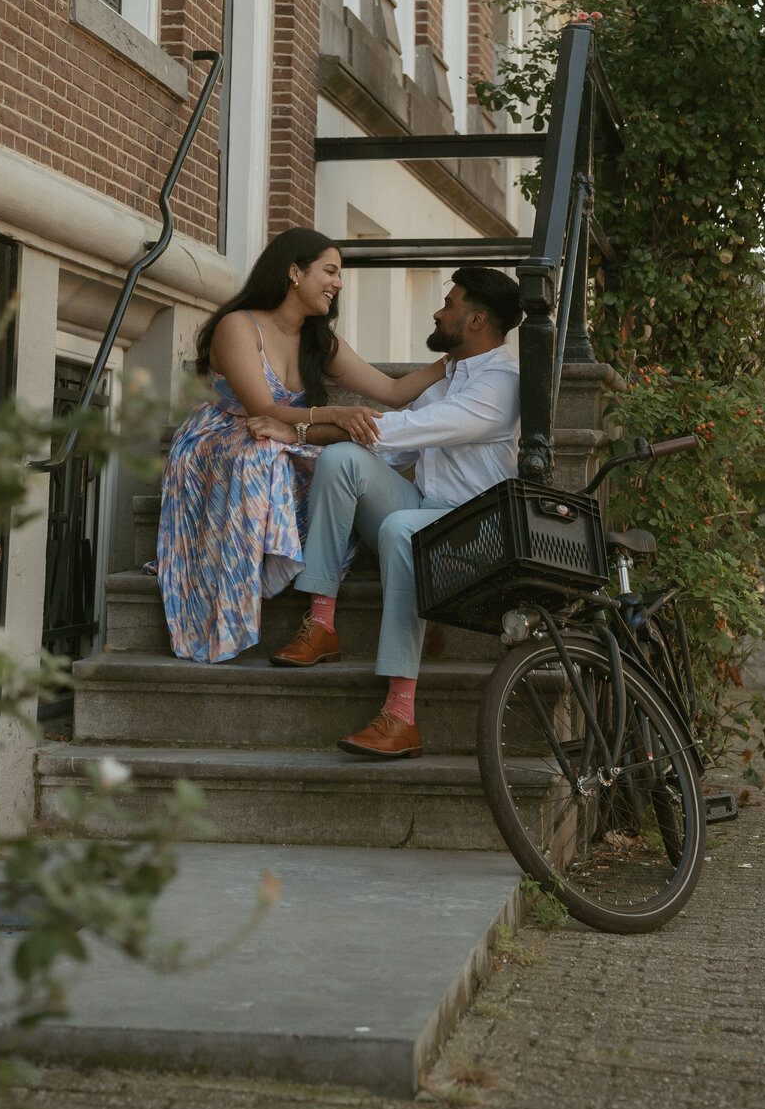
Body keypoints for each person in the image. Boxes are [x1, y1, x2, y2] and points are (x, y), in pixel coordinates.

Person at [253, 266, 522, 760]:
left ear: (477, 319)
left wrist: (300, 431)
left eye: (450, 303)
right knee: (343, 461)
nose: (439, 312)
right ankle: (321, 621)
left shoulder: (500, 384)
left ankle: (401, 715)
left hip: (477, 529)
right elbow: (389, 454)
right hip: (426, 510)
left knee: (401, 529)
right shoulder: (450, 377)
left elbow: (395, 432)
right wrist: (303, 453)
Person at [156, 229, 447, 664]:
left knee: (339, 462)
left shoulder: (318, 341)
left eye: (339, 274)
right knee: (262, 453)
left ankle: (306, 592)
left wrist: (459, 358)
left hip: (285, 438)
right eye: (329, 271)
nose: (339, 283)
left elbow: (393, 390)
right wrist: (332, 415)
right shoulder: (239, 326)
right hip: (224, 436)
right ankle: (242, 586)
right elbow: (262, 408)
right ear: (294, 272)